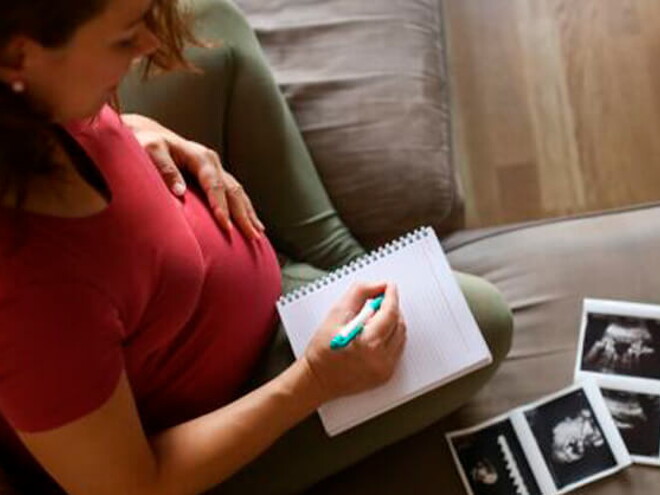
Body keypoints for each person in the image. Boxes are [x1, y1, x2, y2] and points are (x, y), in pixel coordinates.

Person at [0, 0, 513, 493]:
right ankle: (337, 288)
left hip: (190, 270)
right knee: (482, 320)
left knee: (210, 20)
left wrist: (131, 131)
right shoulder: (31, 299)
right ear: (19, 56)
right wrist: (313, 380)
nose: (150, 41)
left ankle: (340, 264)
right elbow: (134, 486)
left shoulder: (33, 97)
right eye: (124, 37)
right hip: (209, 413)